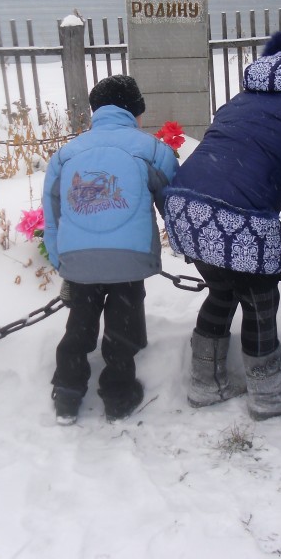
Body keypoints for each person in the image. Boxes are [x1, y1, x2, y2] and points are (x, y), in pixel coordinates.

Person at [164, 27, 281, 420]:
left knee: (222, 290)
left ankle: (206, 383)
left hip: (185, 207)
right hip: (238, 216)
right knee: (260, 301)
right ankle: (268, 395)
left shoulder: (241, 100)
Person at [42, 75, 179, 423]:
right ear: (134, 111)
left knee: (79, 323)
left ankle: (67, 392)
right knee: (122, 327)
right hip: (128, 259)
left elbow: (52, 212)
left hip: (79, 261)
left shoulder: (66, 154)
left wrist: (60, 259)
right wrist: (181, 242)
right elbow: (173, 202)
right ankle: (118, 395)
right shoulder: (153, 150)